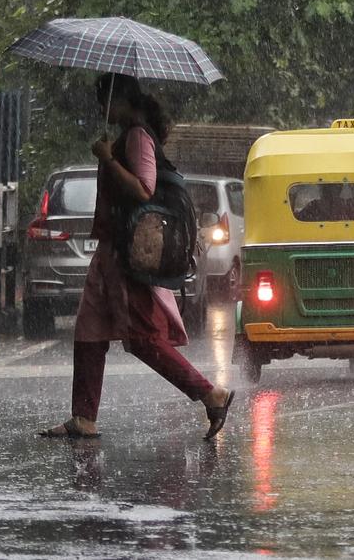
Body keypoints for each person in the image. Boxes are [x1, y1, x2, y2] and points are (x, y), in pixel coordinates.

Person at [40, 73, 234, 440]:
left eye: (104, 101)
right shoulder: (125, 137)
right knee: (89, 331)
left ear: (121, 100)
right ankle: (83, 417)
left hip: (127, 257)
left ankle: (210, 394)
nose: (101, 109)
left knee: (144, 339)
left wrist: (107, 159)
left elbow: (144, 190)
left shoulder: (138, 137)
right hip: (109, 251)